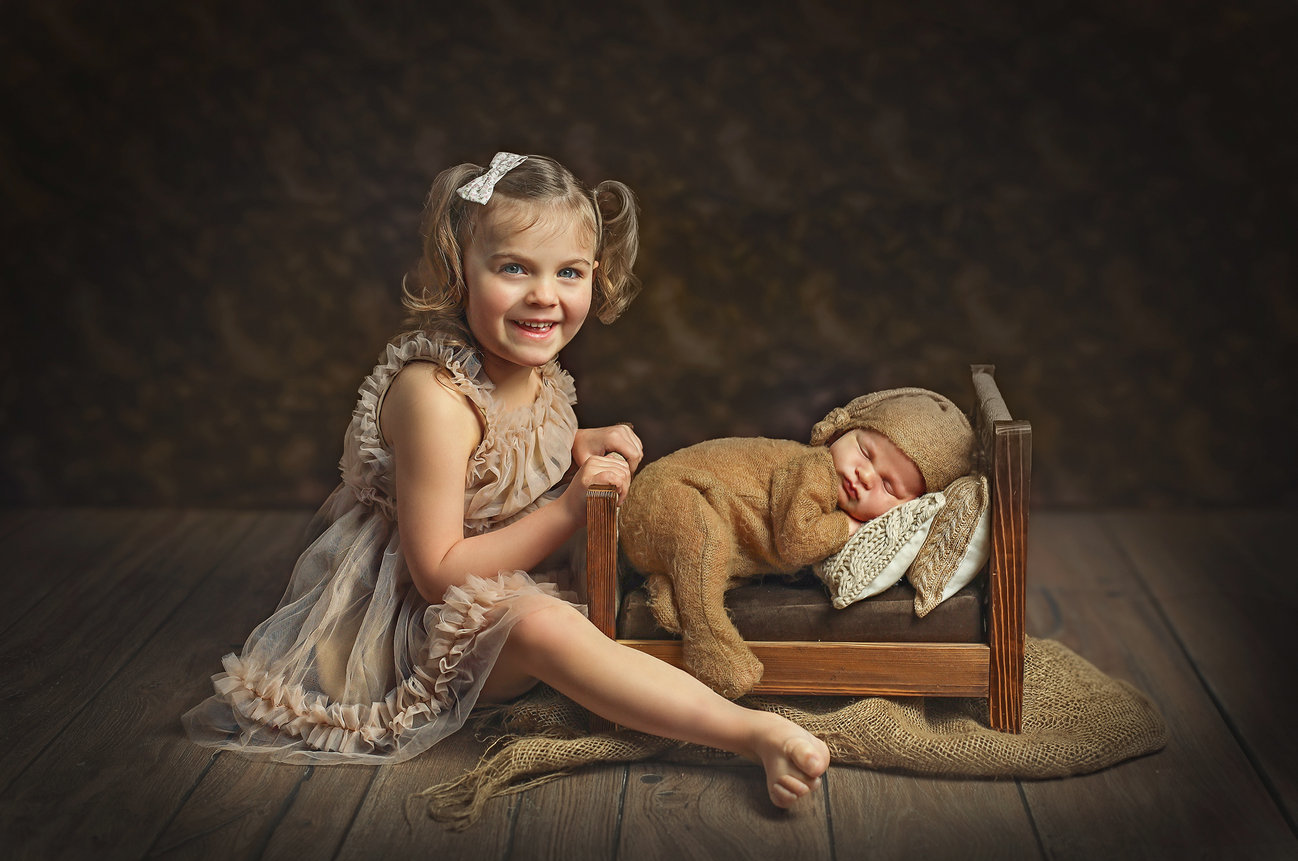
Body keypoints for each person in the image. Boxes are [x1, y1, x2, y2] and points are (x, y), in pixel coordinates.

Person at [183, 152, 829, 809]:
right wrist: (570, 506)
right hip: (417, 619)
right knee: (542, 628)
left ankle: (658, 680)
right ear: (459, 270)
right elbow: (439, 572)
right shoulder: (434, 396)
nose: (544, 294)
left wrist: (577, 443)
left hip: (499, 570)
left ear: (595, 278)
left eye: (568, 272)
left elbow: (506, 458)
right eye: (514, 267)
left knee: (623, 584)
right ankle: (750, 733)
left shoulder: (539, 369)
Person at [620, 387, 975, 697]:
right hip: (664, 497)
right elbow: (797, 542)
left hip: (666, 535)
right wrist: (845, 527)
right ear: (842, 432)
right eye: (865, 453)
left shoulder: (838, 489)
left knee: (713, 553)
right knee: (706, 538)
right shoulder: (814, 469)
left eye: (888, 486)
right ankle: (708, 643)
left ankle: (673, 588)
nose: (863, 476)